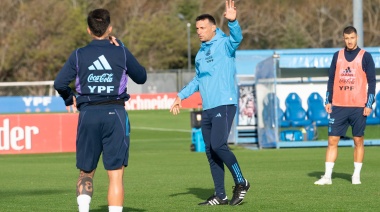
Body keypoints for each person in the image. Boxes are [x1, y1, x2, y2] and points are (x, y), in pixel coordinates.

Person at [54, 9, 147, 212]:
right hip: (116, 115)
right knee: (115, 174)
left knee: (86, 171)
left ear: (88, 30)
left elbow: (60, 83)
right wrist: (121, 46)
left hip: (88, 114)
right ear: (110, 28)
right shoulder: (120, 51)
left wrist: (69, 98)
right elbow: (141, 76)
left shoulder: (79, 54)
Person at [170, 0, 250, 206]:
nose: (199, 31)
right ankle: (220, 194)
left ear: (213, 28)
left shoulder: (224, 44)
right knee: (210, 150)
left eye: (202, 27)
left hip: (224, 103)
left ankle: (241, 182)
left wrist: (233, 22)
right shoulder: (200, 54)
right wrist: (180, 96)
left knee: (219, 145)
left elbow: (237, 39)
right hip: (207, 107)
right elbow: (197, 80)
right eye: (197, 28)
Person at [314, 26, 376, 185]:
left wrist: (369, 103)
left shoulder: (366, 57)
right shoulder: (337, 56)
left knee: (358, 141)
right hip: (339, 106)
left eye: (352, 38)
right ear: (343, 38)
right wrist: (328, 100)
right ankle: (327, 177)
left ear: (357, 38)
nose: (349, 41)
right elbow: (331, 80)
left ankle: (356, 175)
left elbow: (372, 82)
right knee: (332, 141)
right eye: (347, 38)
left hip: (358, 107)